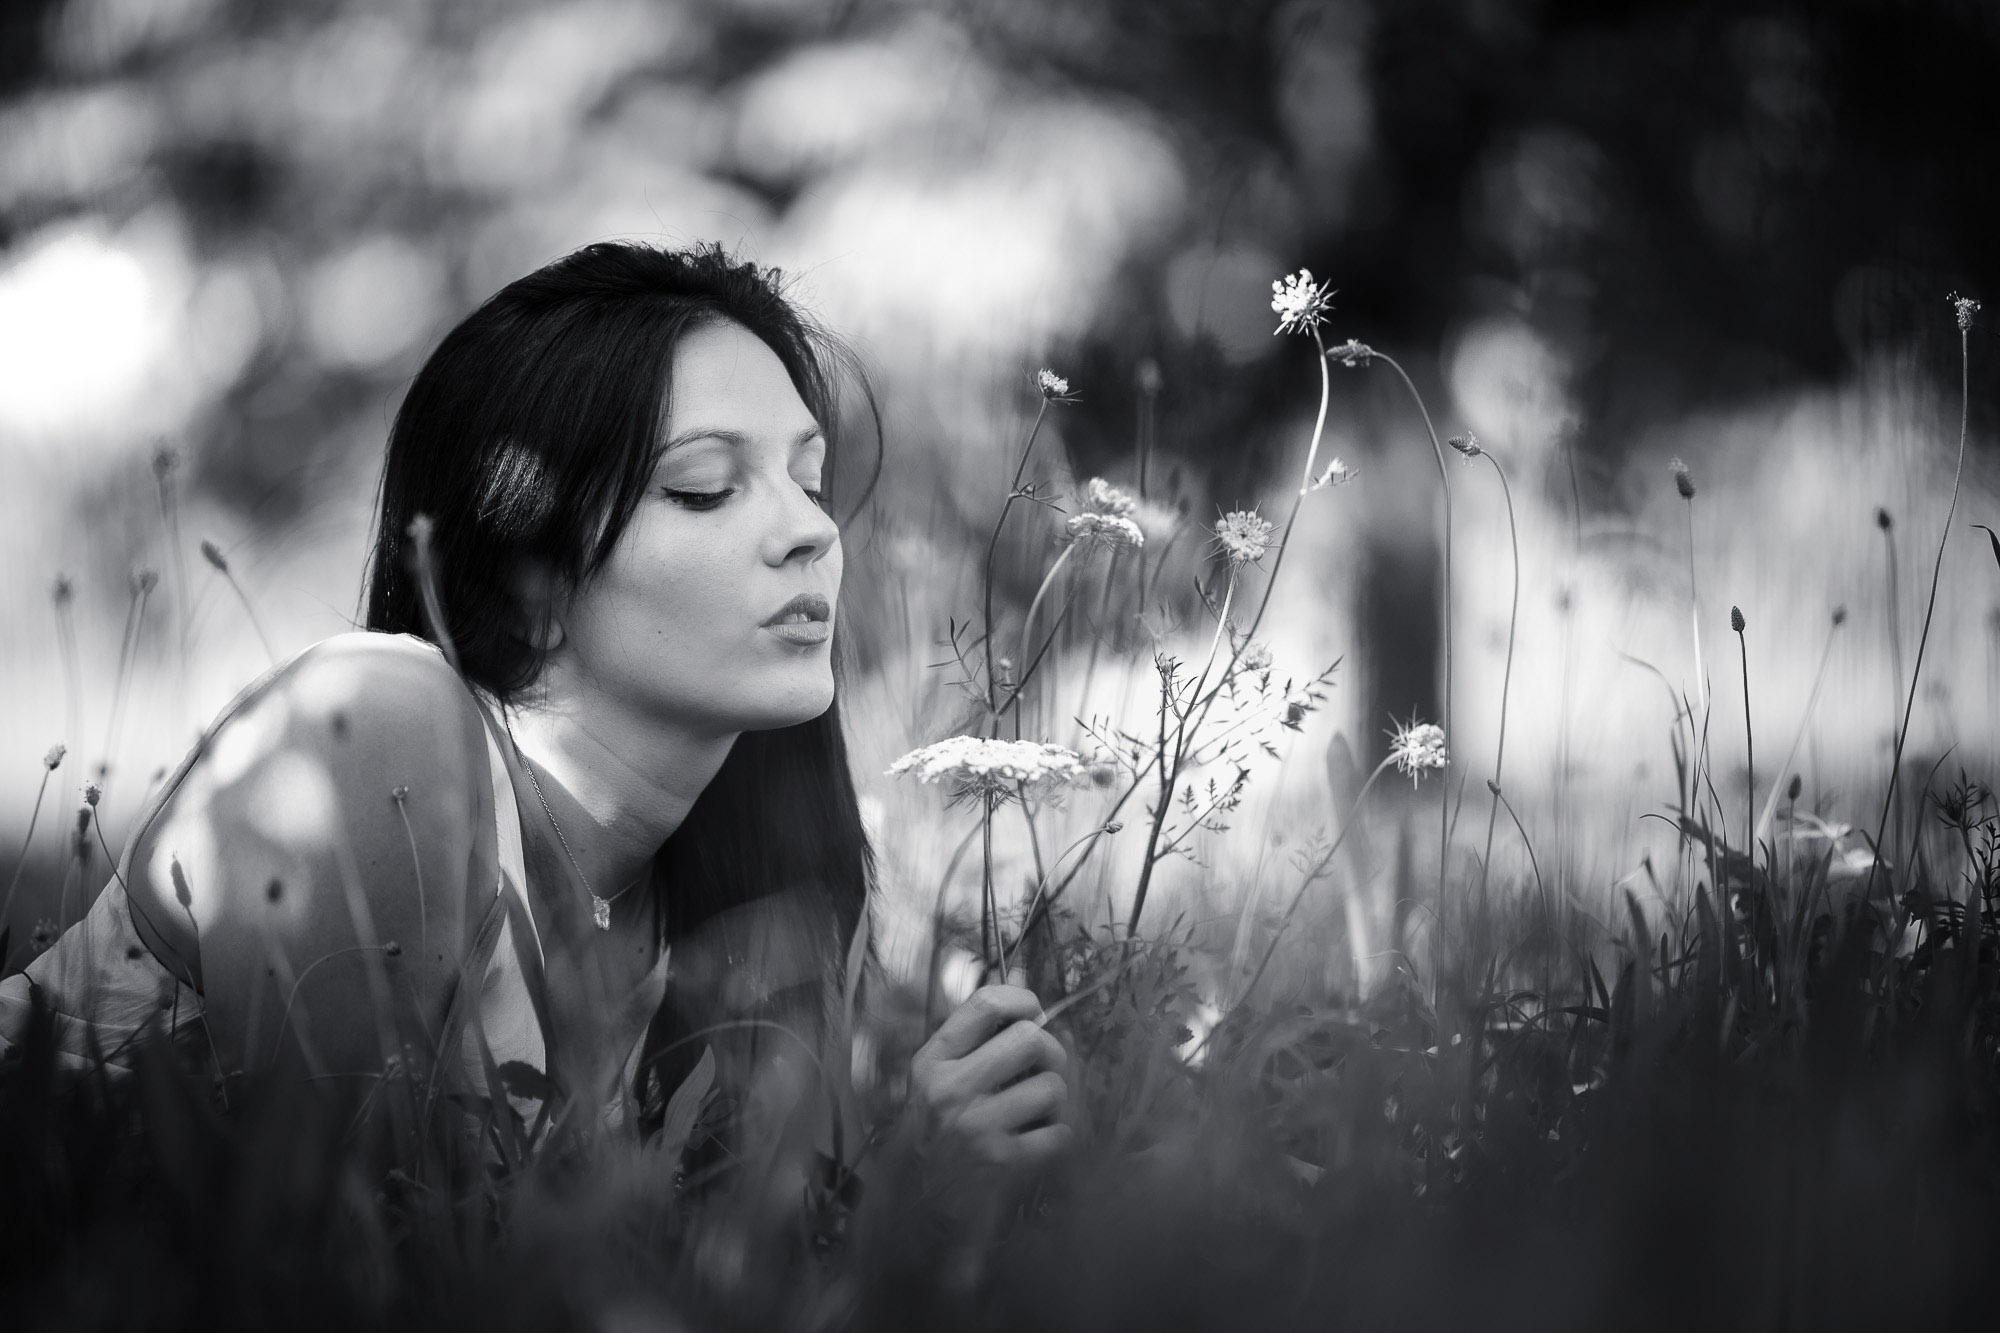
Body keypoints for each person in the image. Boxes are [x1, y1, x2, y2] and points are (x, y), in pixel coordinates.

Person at [0, 240, 1073, 1190]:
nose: (810, 533)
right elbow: (420, 1264)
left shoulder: (747, 901)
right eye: (704, 487)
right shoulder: (377, 729)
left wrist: (897, 1177)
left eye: (808, 478)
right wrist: (890, 1202)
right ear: (530, 579)